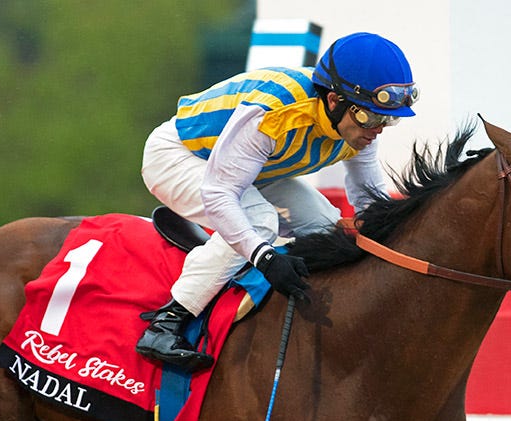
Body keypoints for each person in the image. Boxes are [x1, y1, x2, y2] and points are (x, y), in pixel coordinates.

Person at [136, 31, 419, 371]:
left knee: (327, 227)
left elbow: (369, 201)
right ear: (334, 100)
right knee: (259, 223)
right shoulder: (275, 113)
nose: (378, 129)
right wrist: (265, 258)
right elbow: (219, 194)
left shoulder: (358, 122)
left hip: (253, 170)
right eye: (371, 118)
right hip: (180, 156)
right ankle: (166, 322)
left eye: (388, 119)